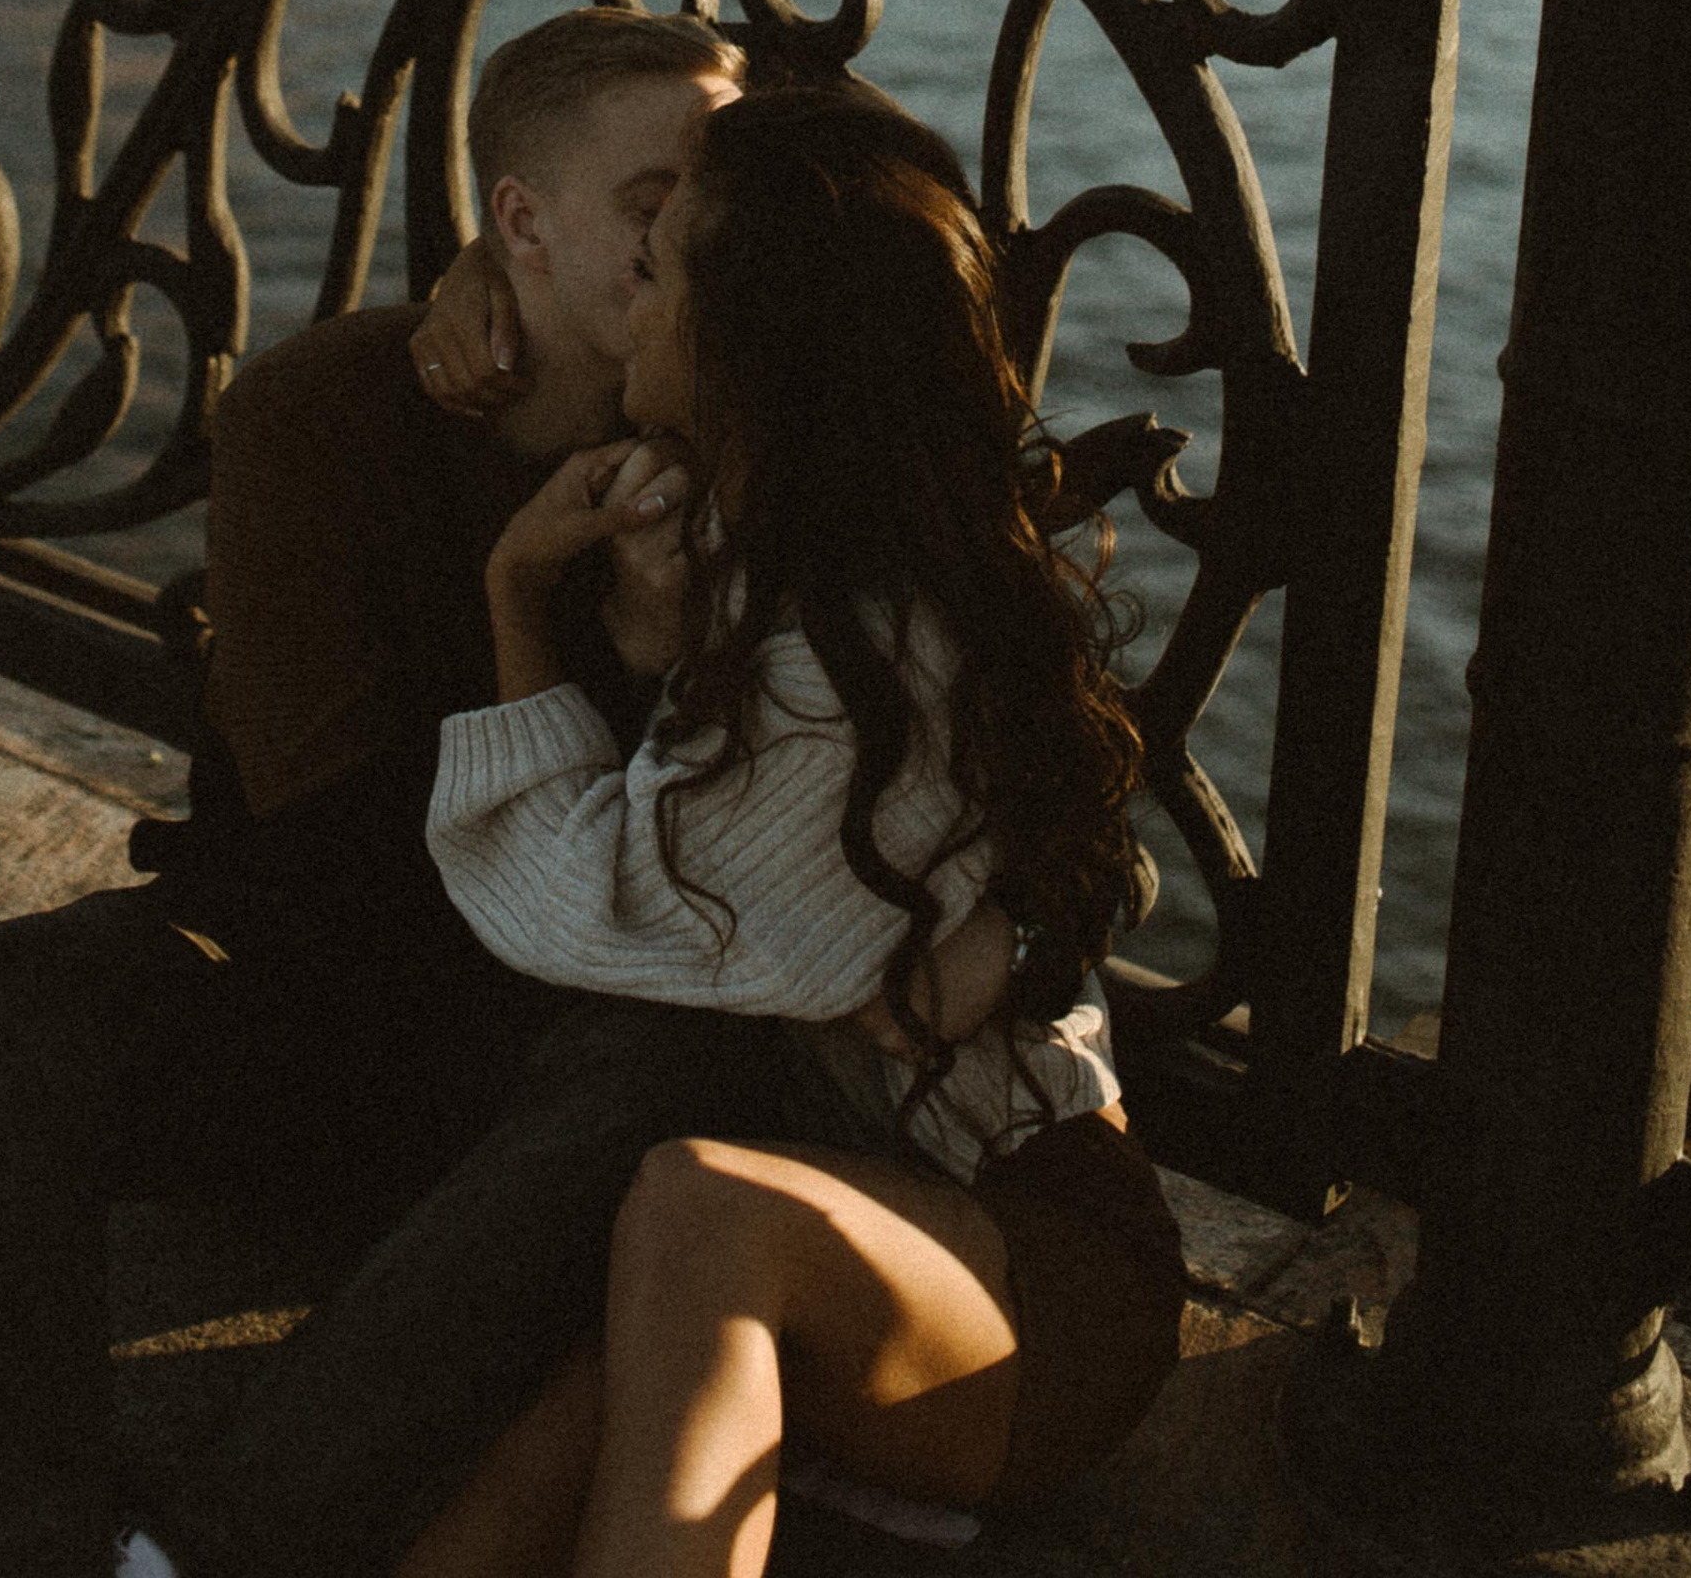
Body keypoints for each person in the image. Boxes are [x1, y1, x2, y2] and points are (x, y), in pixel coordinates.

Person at [146, 84, 1181, 1578]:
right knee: (503, 1483)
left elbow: (577, 902)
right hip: (869, 1210)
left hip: (1027, 1280)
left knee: (693, 1202)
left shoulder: (852, 661)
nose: (633, 292)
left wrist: (517, 595)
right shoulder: (803, 545)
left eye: (666, 266)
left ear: (748, 341)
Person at [0, 5, 750, 1578]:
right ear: (520, 226)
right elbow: (320, 846)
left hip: (562, 1097)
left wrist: (664, 642)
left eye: (718, 193)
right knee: (23, 984)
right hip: (345, 1017)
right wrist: (550, 630)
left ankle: (209, 1557)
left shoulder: (758, 451)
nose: (701, 233)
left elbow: (724, 894)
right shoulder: (330, 410)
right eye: (652, 203)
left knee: (659, 1076)